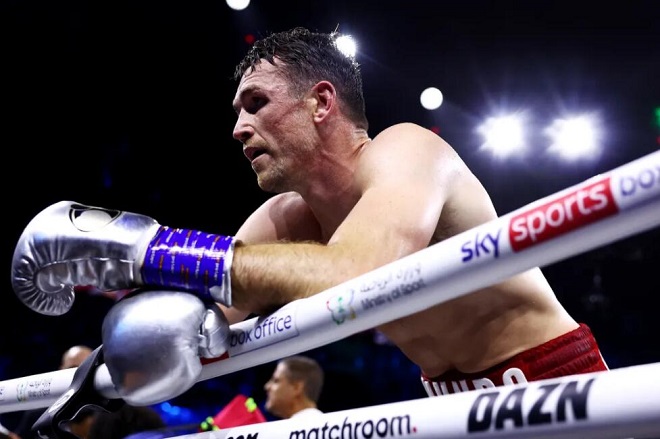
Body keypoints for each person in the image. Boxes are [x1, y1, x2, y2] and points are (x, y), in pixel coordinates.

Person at [13, 26, 609, 401]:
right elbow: (192, 311)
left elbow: (361, 274)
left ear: (321, 102)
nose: (238, 127)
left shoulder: (407, 150)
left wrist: (148, 247)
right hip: (447, 398)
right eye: (238, 110)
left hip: (554, 379)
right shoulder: (284, 218)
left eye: (256, 103)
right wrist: (103, 297)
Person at [13, 345, 94, 439]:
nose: (81, 375)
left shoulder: (106, 415)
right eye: (73, 369)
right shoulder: (38, 415)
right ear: (61, 371)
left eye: (85, 369)